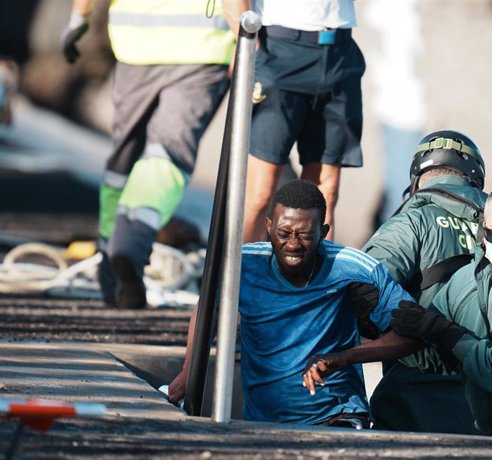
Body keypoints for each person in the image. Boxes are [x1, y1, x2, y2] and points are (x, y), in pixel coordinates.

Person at [304, 183, 492, 442]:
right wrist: (344, 357)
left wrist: (448, 334)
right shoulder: (467, 280)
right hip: (485, 440)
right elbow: (422, 349)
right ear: (483, 232)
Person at [168, 180, 416, 427]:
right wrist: (190, 371)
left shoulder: (355, 267)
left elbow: (411, 335)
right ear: (269, 226)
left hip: (338, 418)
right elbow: (208, 307)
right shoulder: (241, 264)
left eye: (306, 235)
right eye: (284, 233)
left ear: (324, 231)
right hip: (261, 424)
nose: (293, 245)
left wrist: (343, 358)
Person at [61, 0, 234, 309]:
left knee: (123, 158)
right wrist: (248, 37)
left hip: (135, 42)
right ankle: (130, 242)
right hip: (203, 47)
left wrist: (79, 16)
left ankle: (109, 264)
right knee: (168, 152)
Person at [361, 130, 487, 433]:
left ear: (418, 178)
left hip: (419, 401)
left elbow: (362, 289)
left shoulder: (411, 222)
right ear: (474, 177)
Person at [223, 0, 366, 242]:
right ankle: (244, 277)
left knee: (325, 194)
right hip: (278, 47)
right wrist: (246, 43)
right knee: (259, 194)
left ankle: (313, 279)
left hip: (339, 52)